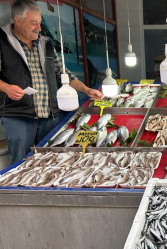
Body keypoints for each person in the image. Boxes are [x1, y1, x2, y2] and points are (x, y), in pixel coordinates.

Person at [0, 0, 103, 164]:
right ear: (17, 20)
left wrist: (86, 89)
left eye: (39, 23)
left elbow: (62, 72)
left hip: (50, 114)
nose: (39, 28)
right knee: (21, 163)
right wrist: (6, 87)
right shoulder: (2, 41)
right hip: (18, 116)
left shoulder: (45, 43)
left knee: (53, 159)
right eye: (34, 23)